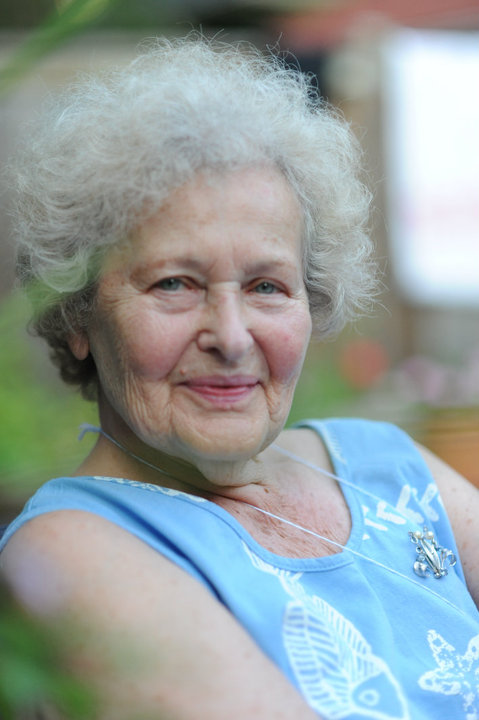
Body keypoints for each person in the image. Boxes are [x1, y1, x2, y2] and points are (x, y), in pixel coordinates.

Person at [1, 35, 479, 720]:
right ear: (78, 314)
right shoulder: (72, 550)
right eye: (174, 283)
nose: (230, 337)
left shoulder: (389, 466)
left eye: (266, 286)